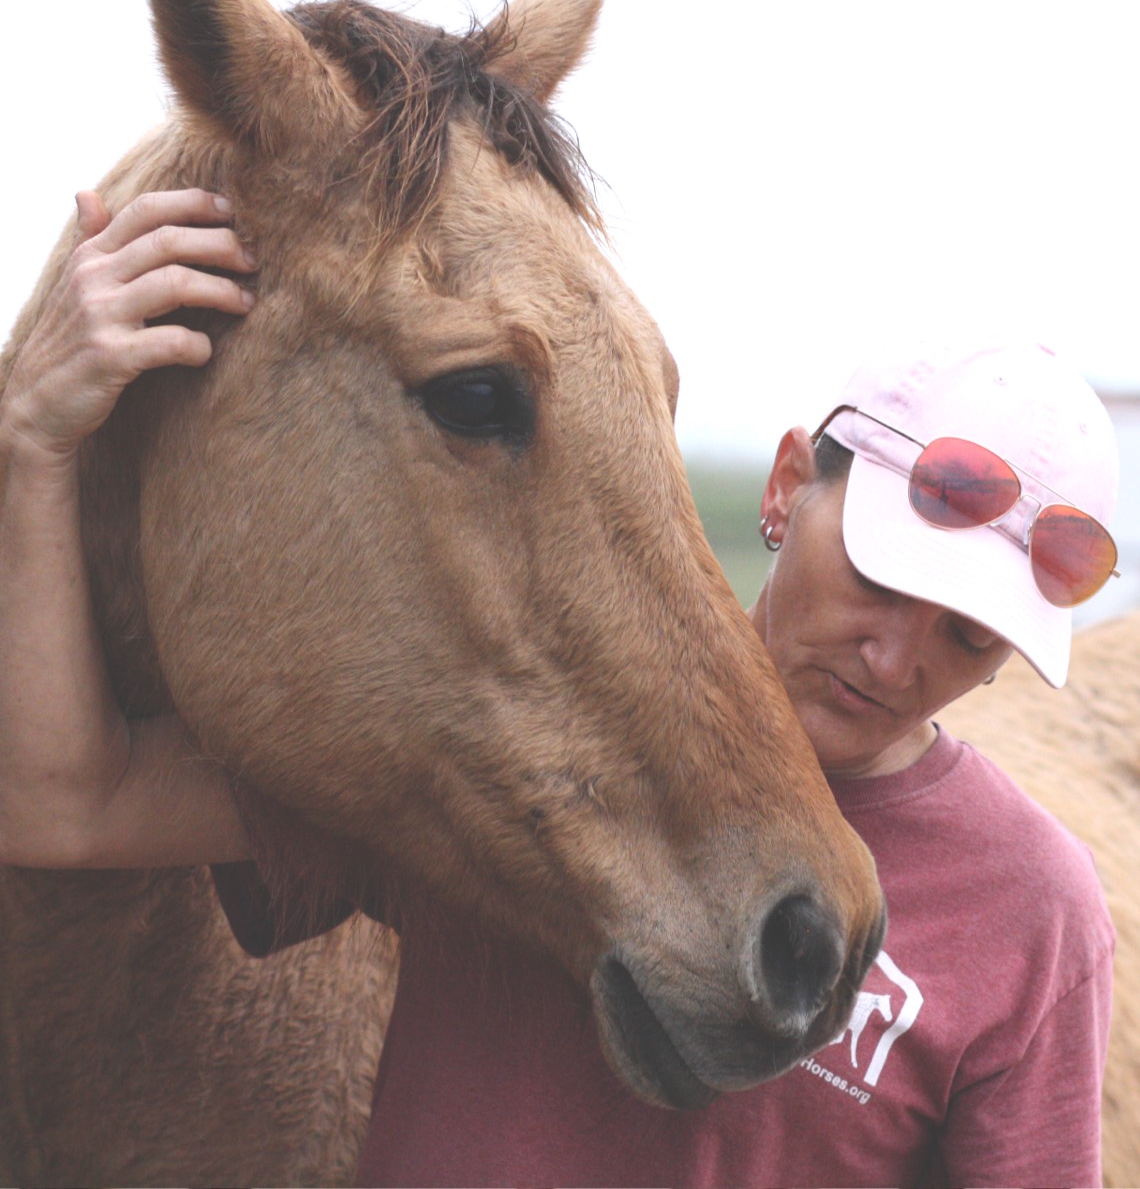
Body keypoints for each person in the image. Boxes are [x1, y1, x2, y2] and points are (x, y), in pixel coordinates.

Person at [0, 192, 1117, 1188]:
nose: (894, 659)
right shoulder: (482, 737)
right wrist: (33, 441)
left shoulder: (1034, 909)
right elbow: (63, 803)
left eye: (969, 637)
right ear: (785, 488)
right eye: (879, 573)